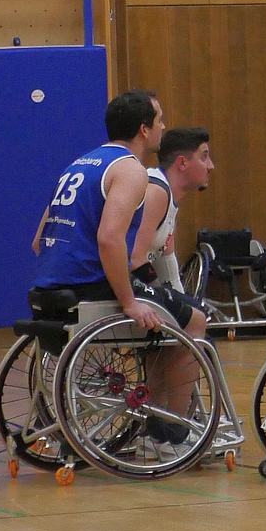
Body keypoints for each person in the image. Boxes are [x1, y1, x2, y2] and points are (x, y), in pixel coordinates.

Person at [32, 91, 212, 454]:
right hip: (89, 285)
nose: (164, 126)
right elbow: (110, 239)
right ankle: (168, 437)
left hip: (47, 287)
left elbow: (39, 241)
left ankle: (153, 422)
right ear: (144, 130)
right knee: (194, 321)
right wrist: (128, 301)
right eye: (159, 120)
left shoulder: (81, 163)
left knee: (164, 319)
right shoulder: (130, 169)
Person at [131, 127, 213, 292]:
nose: (211, 166)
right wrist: (165, 300)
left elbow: (168, 270)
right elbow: (133, 259)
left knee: (195, 315)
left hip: (134, 284)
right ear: (182, 162)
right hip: (108, 288)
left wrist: (183, 304)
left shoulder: (168, 197)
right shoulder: (156, 192)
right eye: (204, 157)